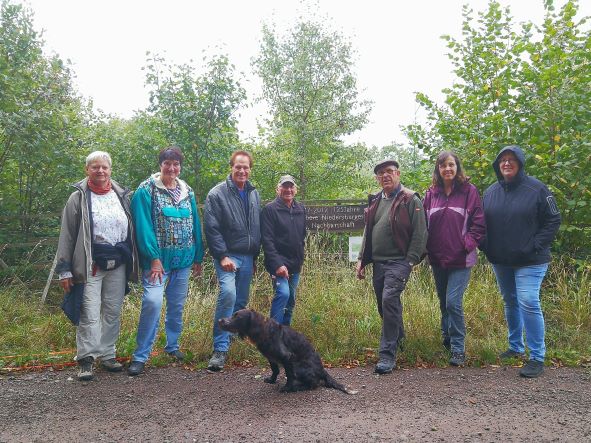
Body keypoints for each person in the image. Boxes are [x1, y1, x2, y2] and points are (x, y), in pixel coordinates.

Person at [56, 151, 138, 381]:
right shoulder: (78, 198)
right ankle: (86, 359)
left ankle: (107, 355)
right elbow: (67, 236)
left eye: (104, 167)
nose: (100, 171)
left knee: (112, 310)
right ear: (87, 170)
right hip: (89, 262)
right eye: (95, 167)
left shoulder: (121, 196)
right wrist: (65, 269)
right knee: (89, 311)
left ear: (110, 170)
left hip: (118, 262)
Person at [482, 145, 560, 378]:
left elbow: (553, 219)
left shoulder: (537, 188)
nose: (506, 163)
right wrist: (485, 245)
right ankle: (515, 346)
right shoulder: (490, 192)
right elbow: (481, 223)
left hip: (532, 260)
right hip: (501, 259)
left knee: (527, 300)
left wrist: (535, 245)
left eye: (511, 159)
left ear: (521, 163)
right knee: (510, 300)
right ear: (498, 165)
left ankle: (537, 356)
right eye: (502, 160)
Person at [127, 146, 204, 376]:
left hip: (184, 260)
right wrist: (153, 258)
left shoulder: (186, 190)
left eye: (176, 164)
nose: (172, 168)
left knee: (177, 306)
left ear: (180, 166)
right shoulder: (146, 190)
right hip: (158, 263)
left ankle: (173, 346)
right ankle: (141, 355)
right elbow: (143, 227)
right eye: (167, 163)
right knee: (152, 302)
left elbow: (195, 224)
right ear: (160, 164)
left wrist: (198, 256)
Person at [356, 159, 428, 374]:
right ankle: (400, 339)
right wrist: (361, 259)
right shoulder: (377, 200)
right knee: (385, 304)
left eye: (389, 172)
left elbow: (420, 232)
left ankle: (387, 354)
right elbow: (368, 231)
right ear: (377, 179)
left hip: (399, 262)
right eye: (380, 174)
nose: (385, 176)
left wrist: (410, 260)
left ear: (397, 174)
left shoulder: (409, 198)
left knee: (389, 299)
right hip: (379, 263)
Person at [423, 151, 486, 366]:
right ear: (438, 169)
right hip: (438, 258)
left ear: (457, 167)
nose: (447, 169)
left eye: (451, 165)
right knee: (444, 302)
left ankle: (458, 347)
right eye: (443, 166)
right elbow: (423, 225)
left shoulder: (469, 191)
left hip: (461, 259)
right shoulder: (431, 194)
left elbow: (478, 225)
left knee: (453, 302)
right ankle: (447, 337)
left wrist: (465, 245)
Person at [204, 150, 261, 371]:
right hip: (227, 255)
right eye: (238, 166)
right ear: (231, 167)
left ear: (250, 169)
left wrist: (255, 257)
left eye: (246, 167)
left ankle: (234, 336)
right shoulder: (217, 194)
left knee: (241, 301)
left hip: (248, 256)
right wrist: (222, 255)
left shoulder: (253, 193)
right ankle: (219, 349)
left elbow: (256, 228)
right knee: (228, 294)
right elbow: (211, 228)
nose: (242, 170)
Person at [261, 175, 306, 326]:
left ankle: (284, 332)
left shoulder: (300, 209)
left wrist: (301, 259)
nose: (288, 190)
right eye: (284, 186)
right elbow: (267, 240)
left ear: (296, 189)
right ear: (277, 189)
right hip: (278, 264)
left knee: (291, 298)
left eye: (291, 186)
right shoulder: (270, 209)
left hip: (295, 264)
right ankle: (272, 334)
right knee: (283, 294)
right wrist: (277, 265)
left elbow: (302, 236)